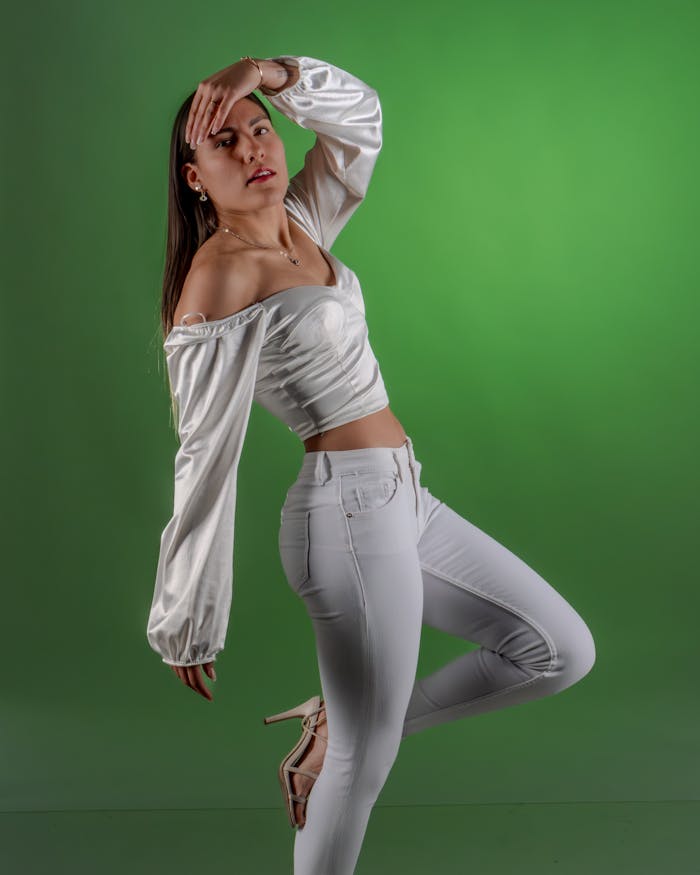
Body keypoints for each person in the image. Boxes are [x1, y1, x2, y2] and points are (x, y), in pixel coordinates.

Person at [146, 54, 596, 875]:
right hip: (343, 517)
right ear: (195, 177)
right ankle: (349, 734)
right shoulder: (220, 278)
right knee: (362, 768)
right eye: (226, 142)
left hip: (403, 498)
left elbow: (360, 124)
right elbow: (205, 452)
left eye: (260, 131)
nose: (255, 150)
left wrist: (270, 73)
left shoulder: (301, 226)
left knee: (559, 648)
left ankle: (339, 721)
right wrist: (187, 613)